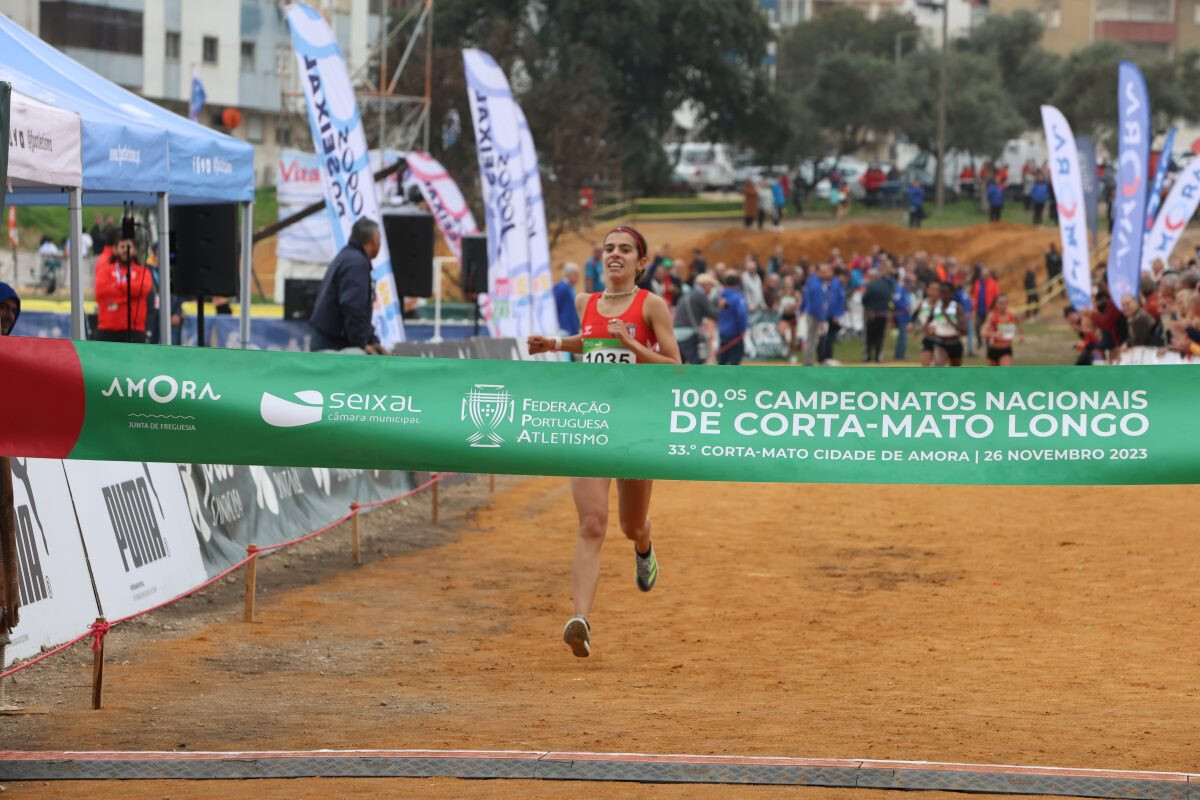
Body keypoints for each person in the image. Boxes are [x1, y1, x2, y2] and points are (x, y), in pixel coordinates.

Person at [525, 225, 681, 658]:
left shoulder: (652, 306)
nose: (615, 254)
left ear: (641, 262)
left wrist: (631, 342)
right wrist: (554, 343)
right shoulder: (585, 302)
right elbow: (593, 341)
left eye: (625, 250)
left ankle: (645, 547)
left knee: (631, 524)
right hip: (591, 423)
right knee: (592, 523)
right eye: (609, 248)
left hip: (635, 427)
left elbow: (675, 366)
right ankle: (581, 620)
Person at [309, 217, 387, 354]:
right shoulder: (356, 264)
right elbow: (353, 308)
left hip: (327, 338)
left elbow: (358, 311)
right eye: (380, 240)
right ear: (373, 242)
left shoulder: (348, 256)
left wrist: (372, 339)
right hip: (331, 344)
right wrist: (362, 344)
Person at [93, 230, 152, 343]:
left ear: (134, 249)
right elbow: (100, 293)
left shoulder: (143, 271)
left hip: (135, 330)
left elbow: (142, 290)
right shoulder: (105, 270)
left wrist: (115, 287)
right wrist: (129, 297)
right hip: (107, 329)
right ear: (115, 250)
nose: (126, 249)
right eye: (122, 246)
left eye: (129, 246)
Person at [913, 279, 967, 366]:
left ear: (950, 293)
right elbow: (928, 321)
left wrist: (948, 318)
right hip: (940, 342)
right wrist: (920, 330)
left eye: (945, 293)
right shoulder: (936, 307)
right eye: (941, 293)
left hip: (955, 342)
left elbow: (964, 331)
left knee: (955, 371)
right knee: (938, 366)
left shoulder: (956, 307)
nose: (942, 295)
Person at [674, 273, 721, 364]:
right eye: (711, 285)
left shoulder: (686, 294)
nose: (712, 289)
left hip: (676, 333)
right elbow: (713, 313)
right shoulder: (700, 295)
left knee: (680, 364)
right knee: (697, 363)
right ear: (704, 285)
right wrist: (719, 305)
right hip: (689, 333)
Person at [861, 267, 892, 363]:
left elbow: (864, 299)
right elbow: (889, 300)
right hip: (883, 315)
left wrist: (867, 306)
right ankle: (879, 356)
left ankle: (868, 356)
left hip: (871, 314)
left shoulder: (870, 286)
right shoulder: (886, 286)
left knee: (869, 336)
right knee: (880, 336)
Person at [717, 274, 749, 365]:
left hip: (722, 332)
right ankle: (733, 379)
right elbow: (742, 314)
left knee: (722, 360)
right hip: (735, 334)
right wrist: (743, 329)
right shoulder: (737, 297)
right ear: (737, 285)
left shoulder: (720, 296)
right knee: (735, 360)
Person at [982, 293, 1023, 366]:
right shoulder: (992, 316)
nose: (1003, 306)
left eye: (1005, 303)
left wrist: (1021, 335)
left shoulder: (1011, 315)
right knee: (993, 376)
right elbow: (983, 332)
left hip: (1006, 349)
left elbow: (1019, 323)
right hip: (994, 349)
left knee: (1004, 373)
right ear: (996, 304)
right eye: (1000, 303)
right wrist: (995, 334)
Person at [553, 262, 581, 339]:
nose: (578, 277)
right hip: (565, 328)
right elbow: (556, 307)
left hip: (572, 327)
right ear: (568, 274)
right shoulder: (561, 288)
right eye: (575, 275)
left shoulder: (569, 287)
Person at [892, 274, 914, 361]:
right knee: (902, 336)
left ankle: (900, 354)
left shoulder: (906, 290)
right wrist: (905, 306)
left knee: (903, 336)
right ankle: (899, 355)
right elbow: (896, 300)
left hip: (906, 317)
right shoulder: (901, 290)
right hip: (902, 317)